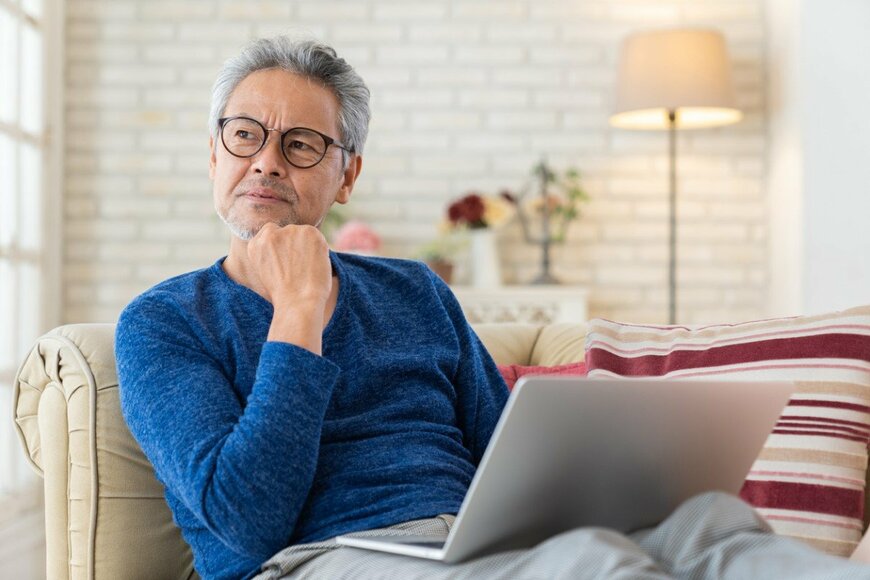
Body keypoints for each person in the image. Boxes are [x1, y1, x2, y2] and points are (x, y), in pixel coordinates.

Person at [115, 36, 870, 580]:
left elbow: (507, 449)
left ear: (347, 176)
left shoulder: (413, 291)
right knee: (596, 565)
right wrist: (299, 313)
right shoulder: (164, 322)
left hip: (470, 543)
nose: (267, 160)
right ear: (215, 155)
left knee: (709, 523)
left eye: (304, 143)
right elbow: (245, 522)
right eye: (244, 135)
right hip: (319, 559)